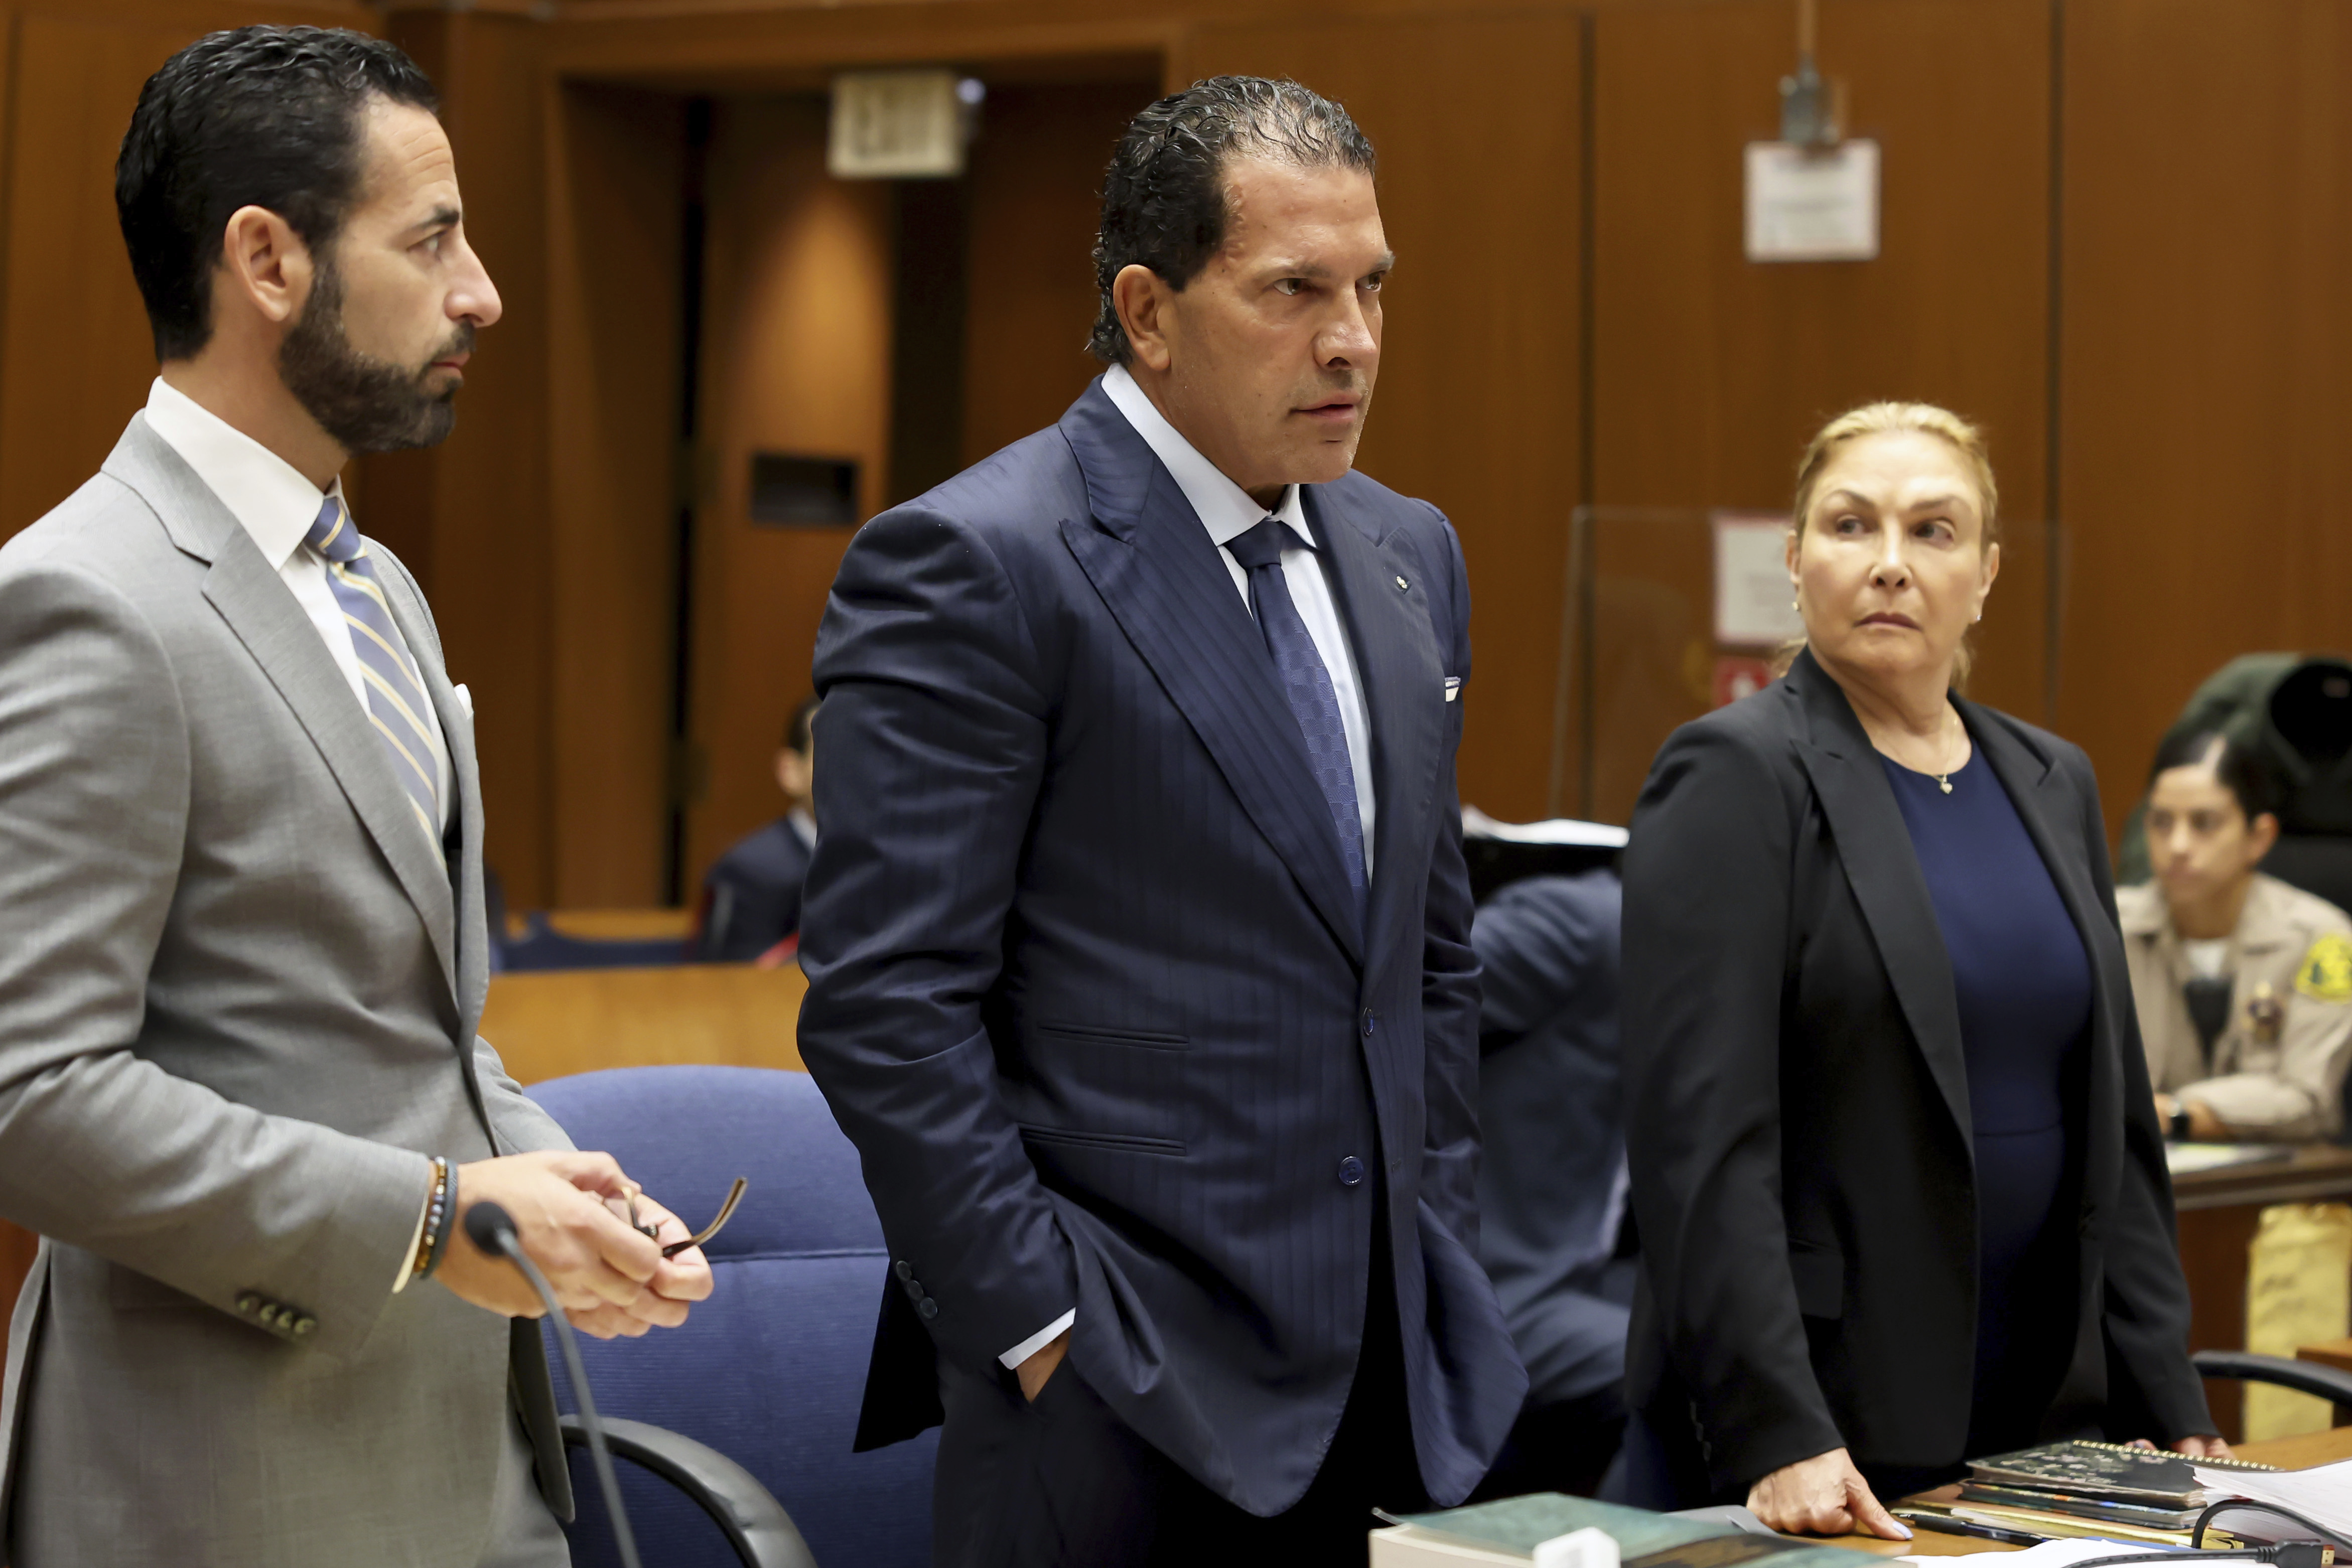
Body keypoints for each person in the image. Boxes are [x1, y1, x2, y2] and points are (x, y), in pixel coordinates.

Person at [0, 28, 711, 1564]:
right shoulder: (89, 600)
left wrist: (540, 1167)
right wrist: (434, 1218)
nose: (482, 292)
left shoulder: (378, 583)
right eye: (433, 237)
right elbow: (33, 1094)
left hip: (474, 1463)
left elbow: (403, 1022)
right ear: (267, 260)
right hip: (225, 1487)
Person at [796, 75, 1523, 1567]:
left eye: (1372, 287)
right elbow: (884, 1005)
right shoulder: (973, 562)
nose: (1352, 341)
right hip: (1111, 1385)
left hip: (1373, 1377)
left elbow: (1425, 956)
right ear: (1145, 310)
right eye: (1292, 292)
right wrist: (1041, 1324)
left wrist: (1433, 1231)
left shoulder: (1406, 553)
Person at [1618, 402, 2223, 1537]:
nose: (1889, 564)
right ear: (1793, 561)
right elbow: (1698, 1140)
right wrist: (1775, 1425)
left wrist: (2166, 1393)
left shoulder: (2052, 778)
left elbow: (2113, 1133)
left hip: (2044, 1412)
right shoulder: (1734, 773)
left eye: (1932, 532)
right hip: (1826, 1422)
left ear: (1985, 573)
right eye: (1850, 526)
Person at [1467, 870, 1633, 1501]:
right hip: (1495, 1285)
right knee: (1694, 1374)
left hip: (1585, 1276)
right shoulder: (1585, 926)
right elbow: (1384, 999)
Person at [2121, 729, 2352, 1142]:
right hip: (2135, 1180)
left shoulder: (2324, 939)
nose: (2177, 845)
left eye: (2204, 824)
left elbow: (2307, 1098)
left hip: (2276, 1186)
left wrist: (2174, 1114)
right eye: (2160, 822)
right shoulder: (2105, 927)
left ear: (2258, 837)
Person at [697, 694, 819, 962]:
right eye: (835, 752)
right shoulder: (749, 871)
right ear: (791, 771)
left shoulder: (888, 862)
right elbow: (718, 985)